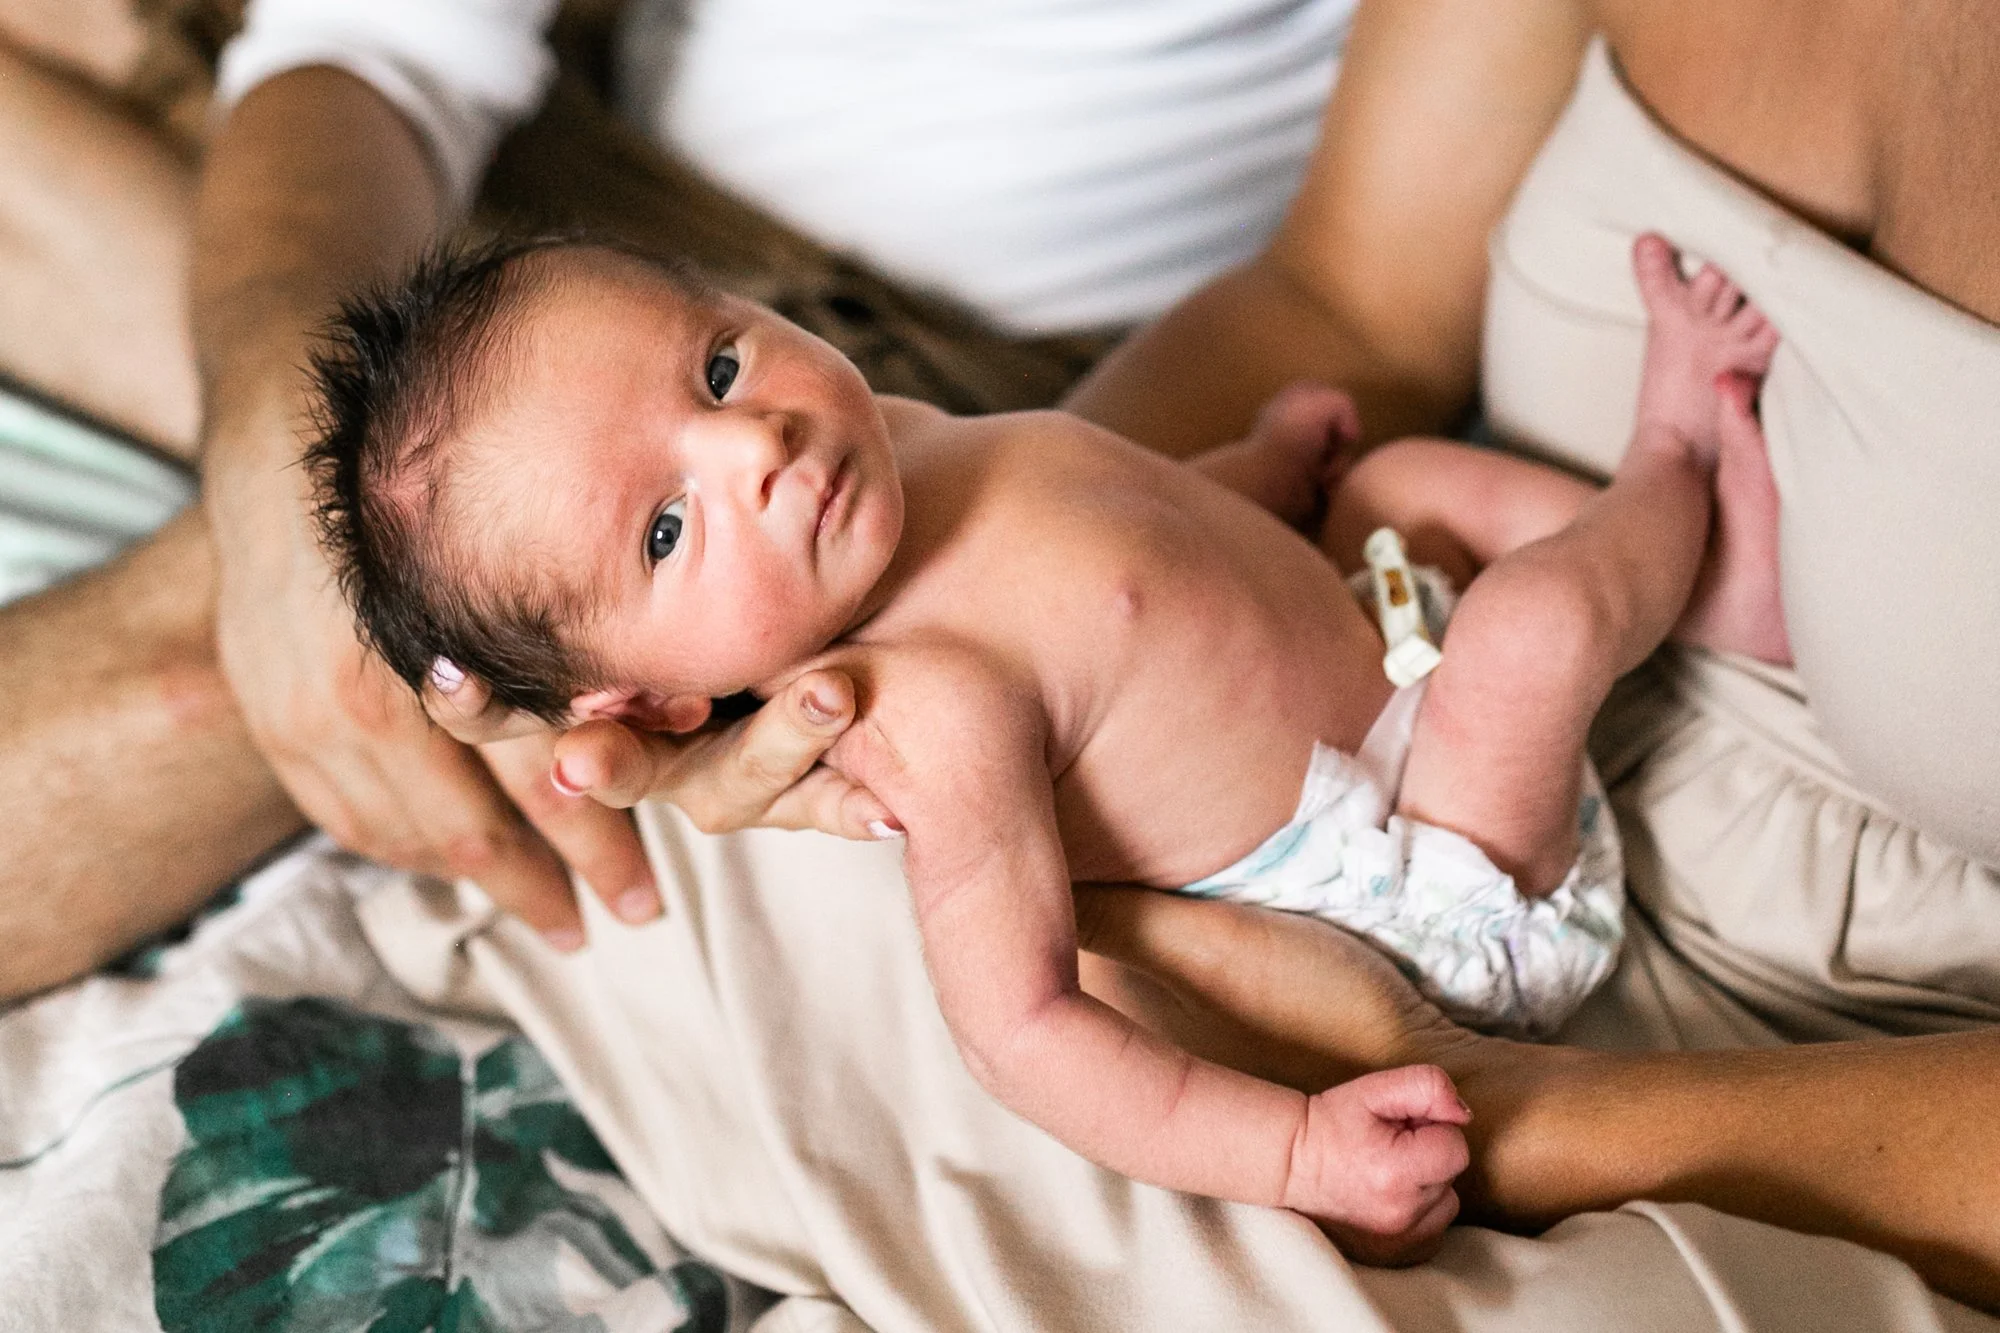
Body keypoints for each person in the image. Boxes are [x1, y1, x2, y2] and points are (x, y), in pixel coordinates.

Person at [1, 0, 1998, 1323]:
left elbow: (1121, 513)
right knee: (452, 756)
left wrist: (1244, 487)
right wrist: (1294, 1131)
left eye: (724, 365)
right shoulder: (911, 694)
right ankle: (1672, 489)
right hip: (1402, 863)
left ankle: (1670, 521)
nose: (759, 438)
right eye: (676, 517)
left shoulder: (903, 445)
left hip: (1453, 838)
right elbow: (1028, 1020)